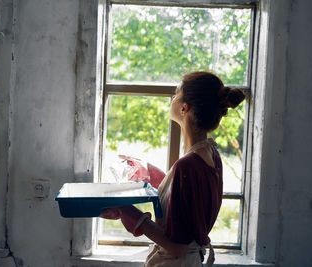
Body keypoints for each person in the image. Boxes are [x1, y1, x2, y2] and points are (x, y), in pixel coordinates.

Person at [100, 71, 246, 266]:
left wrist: (129, 212)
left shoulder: (187, 166)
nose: (173, 98)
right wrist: (154, 174)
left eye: (176, 93)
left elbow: (177, 246)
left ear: (184, 108)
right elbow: (188, 202)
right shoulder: (210, 154)